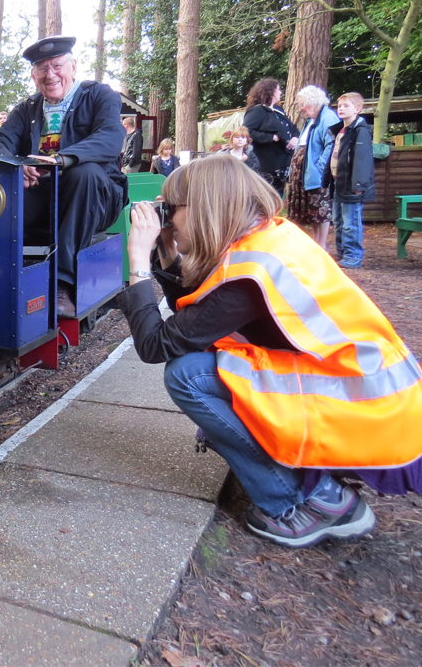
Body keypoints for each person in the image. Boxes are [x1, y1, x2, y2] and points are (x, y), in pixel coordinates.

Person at [122, 155, 422, 548]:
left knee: (187, 375)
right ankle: (310, 486)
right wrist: (167, 252)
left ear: (203, 208)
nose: (169, 219)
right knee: (200, 364)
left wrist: (137, 264)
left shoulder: (250, 272)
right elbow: (198, 323)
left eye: (172, 209)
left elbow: (156, 345)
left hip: (369, 408)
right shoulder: (267, 238)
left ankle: (310, 501)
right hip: (371, 391)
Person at [0, 35, 127, 318]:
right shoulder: (26, 109)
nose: (51, 75)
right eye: (42, 69)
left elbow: (110, 138)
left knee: (85, 173)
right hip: (45, 197)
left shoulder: (99, 95)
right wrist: (17, 165)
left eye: (57, 65)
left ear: (73, 66)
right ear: (34, 76)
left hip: (96, 195)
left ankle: (62, 283)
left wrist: (61, 160)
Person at [324, 92, 375, 269]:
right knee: (338, 220)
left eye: (346, 106)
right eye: (339, 106)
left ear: (358, 109)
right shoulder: (340, 131)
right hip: (339, 182)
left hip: (353, 185)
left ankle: (353, 256)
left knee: (351, 222)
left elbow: (363, 159)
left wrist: (358, 185)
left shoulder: (360, 131)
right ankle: (342, 252)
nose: (341, 109)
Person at [287, 85, 341, 251]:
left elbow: (331, 144)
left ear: (314, 102)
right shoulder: (312, 120)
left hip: (317, 174)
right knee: (313, 211)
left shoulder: (328, 118)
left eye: (303, 104)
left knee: (321, 209)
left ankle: (322, 245)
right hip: (306, 173)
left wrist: (320, 167)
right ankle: (317, 245)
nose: (301, 108)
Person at [242, 78, 298, 196]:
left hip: (283, 163)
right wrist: (271, 137)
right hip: (267, 165)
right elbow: (247, 131)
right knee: (266, 198)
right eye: (278, 90)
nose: (280, 92)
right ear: (270, 91)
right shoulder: (257, 111)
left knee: (277, 198)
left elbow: (292, 127)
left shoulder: (279, 110)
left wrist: (295, 137)